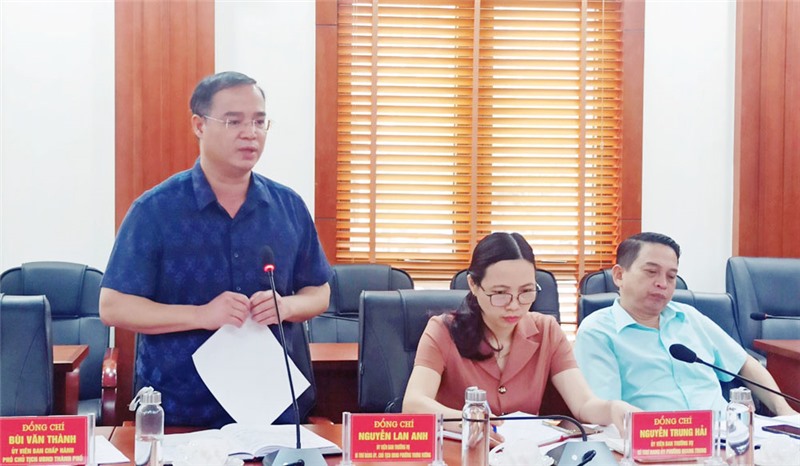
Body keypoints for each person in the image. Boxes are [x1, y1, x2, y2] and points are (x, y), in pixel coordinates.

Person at [99, 71, 332, 428]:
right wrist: (201, 315)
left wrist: (287, 306)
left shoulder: (289, 208)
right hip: (179, 409)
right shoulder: (155, 211)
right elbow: (113, 306)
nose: (250, 133)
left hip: (271, 409)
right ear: (199, 125)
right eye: (233, 121)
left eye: (259, 121)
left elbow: (319, 292)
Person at [402, 232, 636, 437]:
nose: (514, 305)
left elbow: (583, 404)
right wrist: (472, 421)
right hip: (462, 453)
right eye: (500, 293)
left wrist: (613, 408)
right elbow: (414, 404)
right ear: (473, 285)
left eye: (526, 291)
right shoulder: (443, 330)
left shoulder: (547, 330)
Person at [574, 232, 797, 416]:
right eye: (651, 272)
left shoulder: (690, 317)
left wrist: (784, 411)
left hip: (725, 436)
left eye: (671, 276)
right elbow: (605, 411)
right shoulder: (597, 331)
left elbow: (744, 363)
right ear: (619, 275)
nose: (662, 283)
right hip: (656, 441)